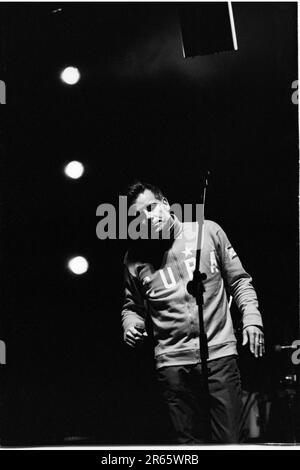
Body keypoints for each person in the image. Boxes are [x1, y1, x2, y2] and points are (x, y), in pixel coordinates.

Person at [121, 181, 265, 444]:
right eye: (138, 216)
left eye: (151, 208)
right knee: (188, 450)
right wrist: (130, 324)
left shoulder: (207, 232)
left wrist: (252, 318)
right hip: (172, 365)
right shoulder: (134, 258)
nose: (147, 218)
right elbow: (132, 307)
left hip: (219, 355)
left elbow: (240, 281)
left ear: (165, 204)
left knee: (230, 444)